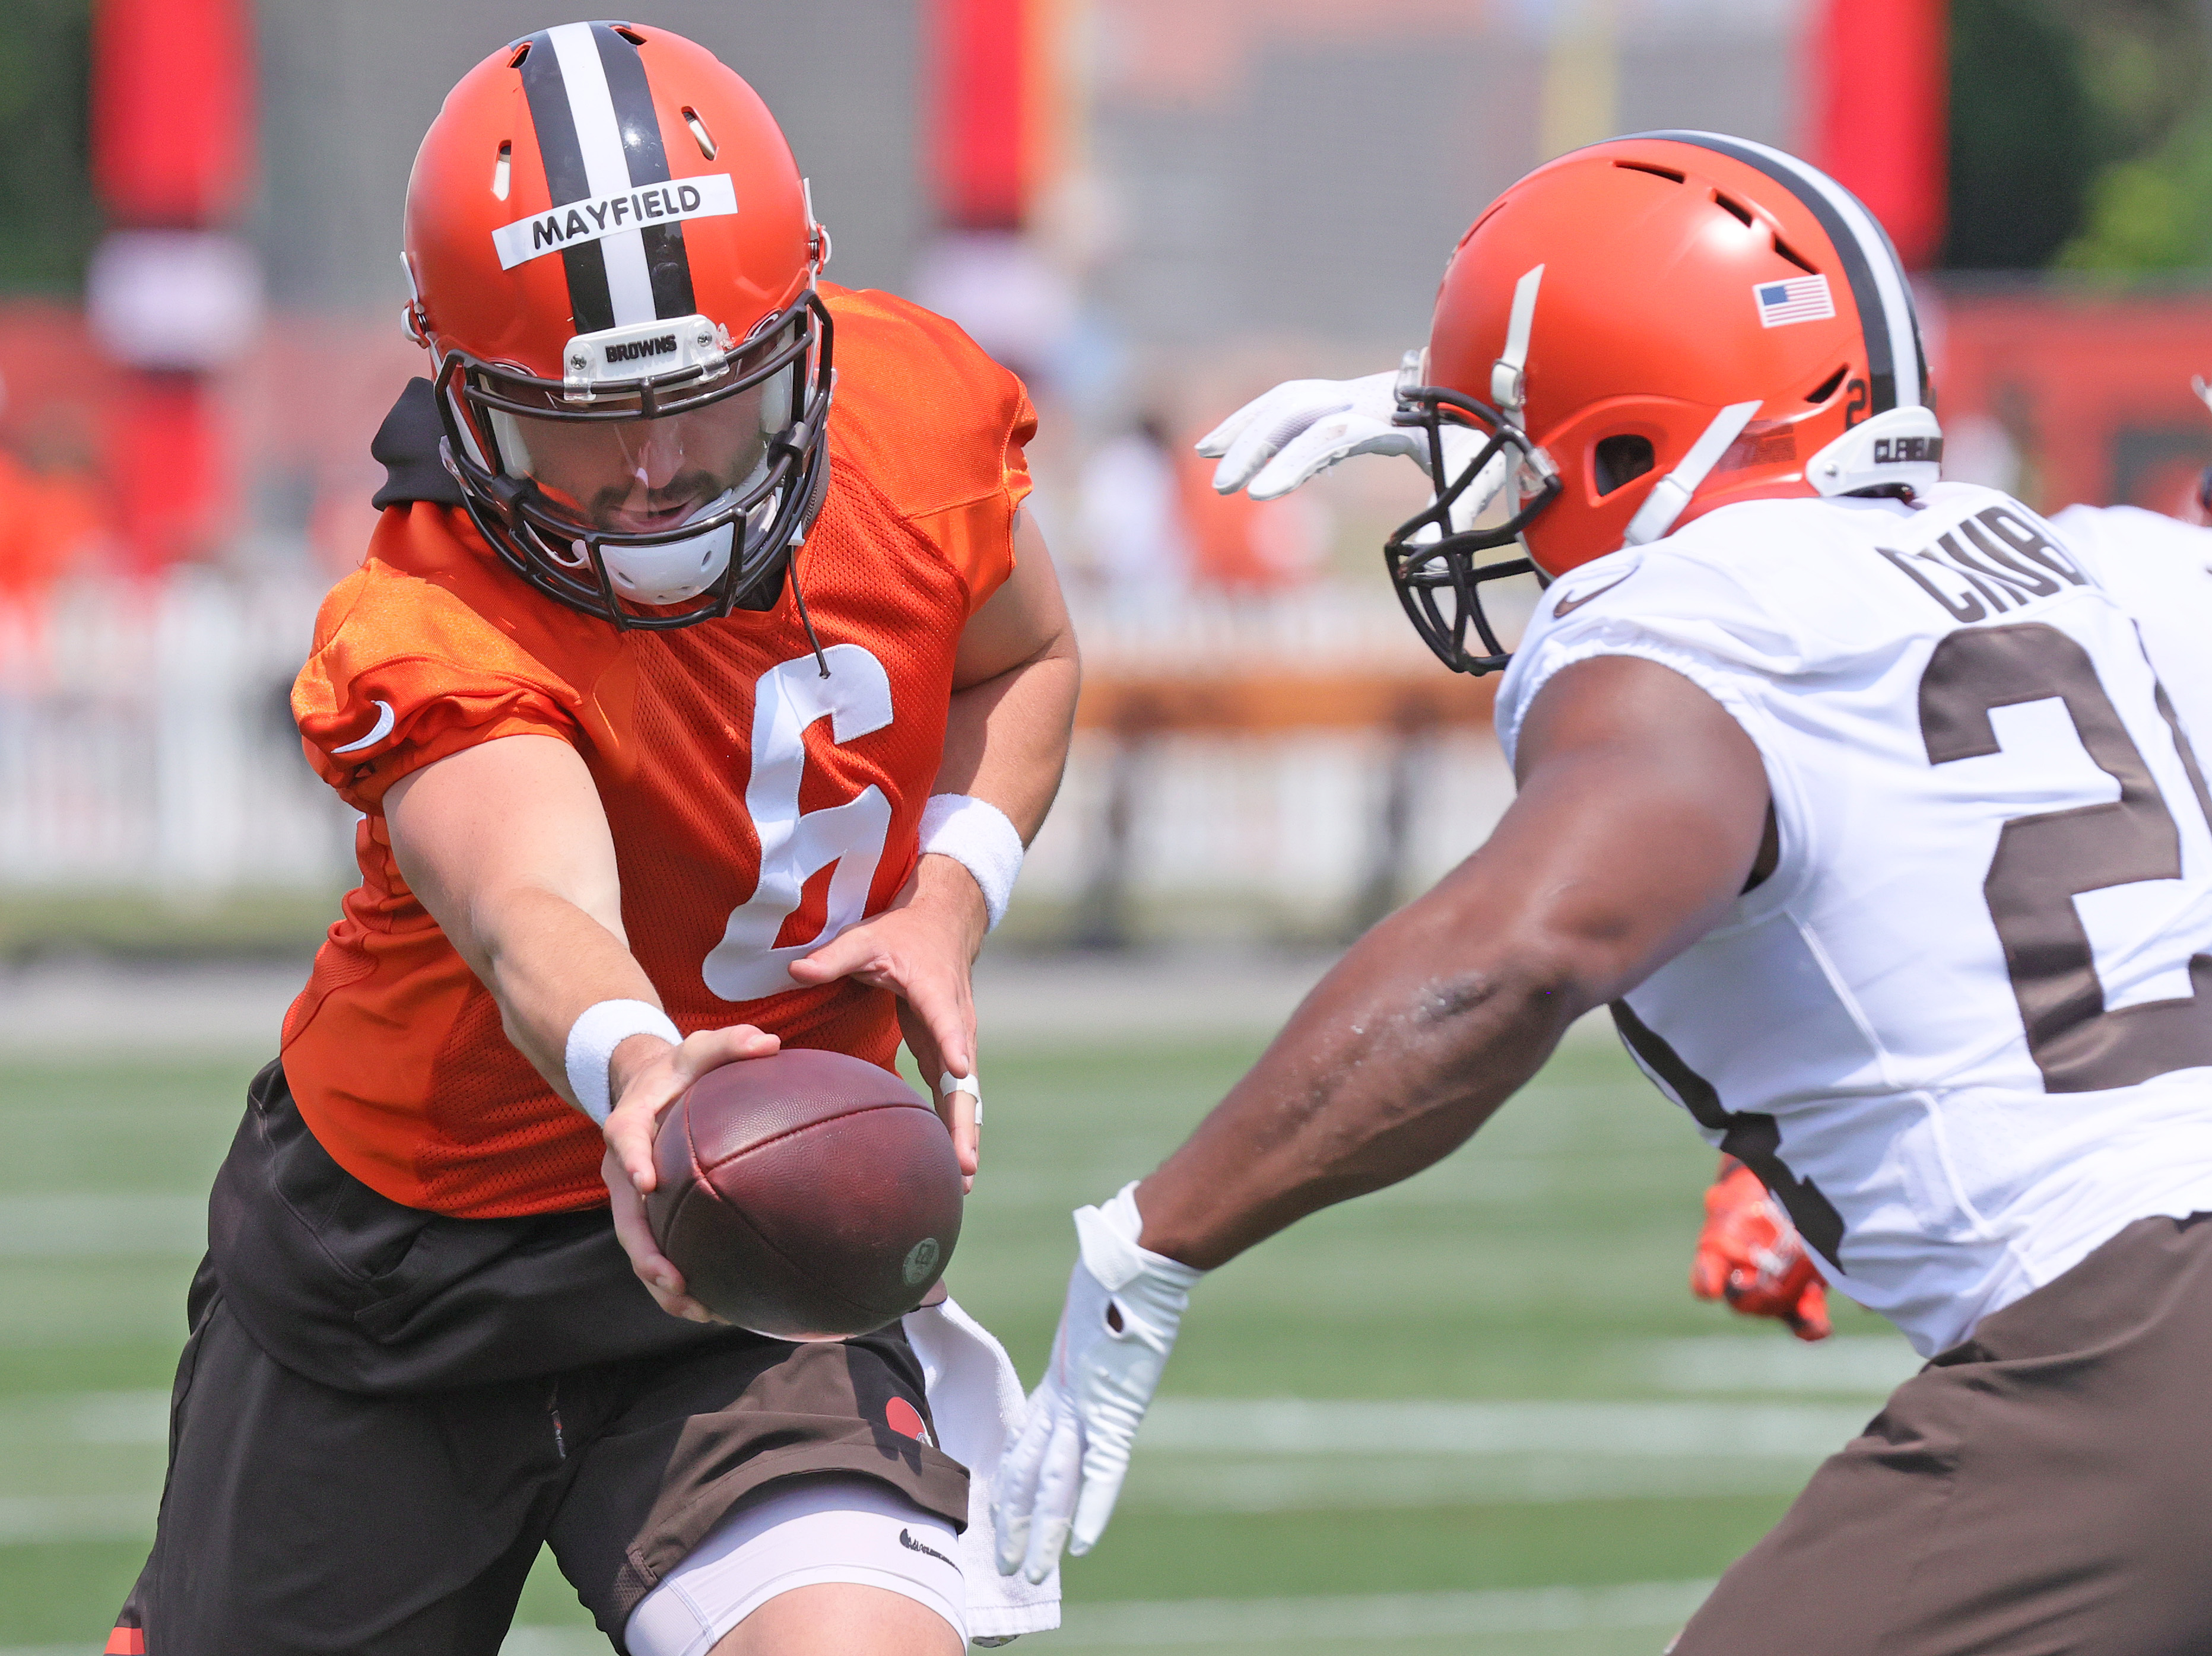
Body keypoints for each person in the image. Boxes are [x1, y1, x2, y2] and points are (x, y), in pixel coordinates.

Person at [992, 131, 2212, 1654]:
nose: (1479, 493)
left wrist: (1157, 1238)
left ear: (1635, 440)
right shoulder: (2101, 565)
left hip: (2138, 1341)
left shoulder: (1699, 616)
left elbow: (1518, 954)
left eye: (1501, 439)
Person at [112, 23, 1077, 1656]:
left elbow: (1026, 658)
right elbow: (530, 903)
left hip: (755, 1248)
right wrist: (638, 1063)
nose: (650, 472)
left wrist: (952, 888)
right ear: (461, 393)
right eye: (578, 419)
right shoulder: (426, 611)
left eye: (707, 403)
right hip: (410, 1273)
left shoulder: (915, 414)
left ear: (806, 333)